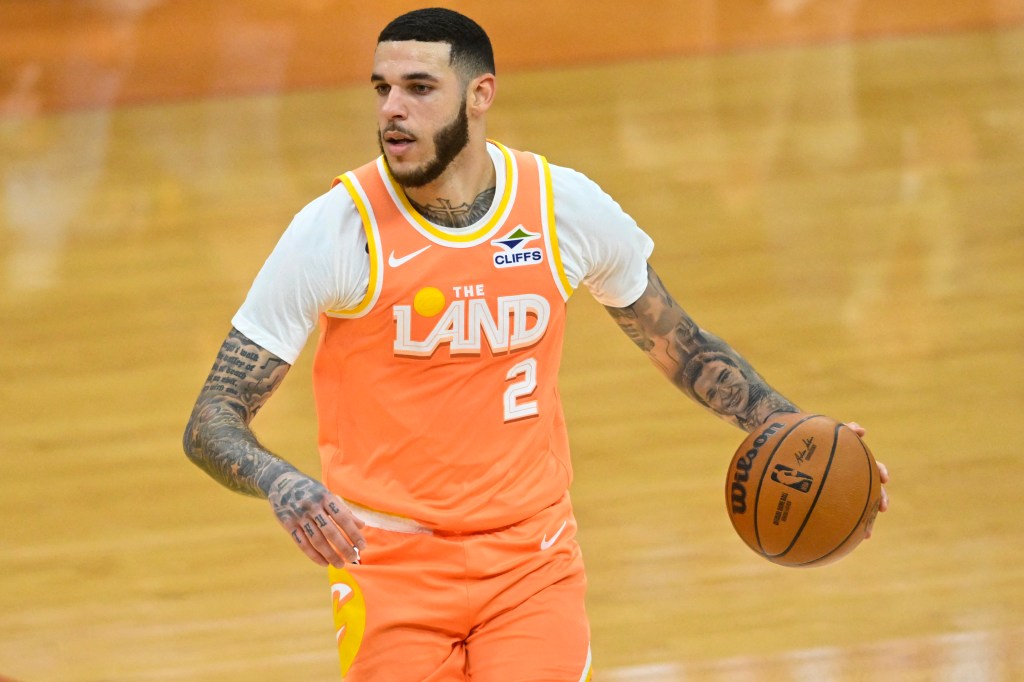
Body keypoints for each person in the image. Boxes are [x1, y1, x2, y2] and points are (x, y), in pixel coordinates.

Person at [183, 7, 889, 681]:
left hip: (531, 556)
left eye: (419, 89)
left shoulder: (563, 207)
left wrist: (795, 432)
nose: (392, 110)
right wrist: (284, 484)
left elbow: (681, 343)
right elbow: (212, 416)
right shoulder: (337, 230)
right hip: (387, 559)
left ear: (480, 94)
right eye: (382, 89)